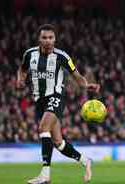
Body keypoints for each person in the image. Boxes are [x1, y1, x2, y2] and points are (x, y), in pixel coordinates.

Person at [17, 24, 99, 184]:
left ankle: (45, 174)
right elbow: (22, 70)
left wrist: (86, 85)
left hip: (56, 96)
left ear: (55, 39)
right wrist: (20, 79)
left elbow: (77, 76)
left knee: (42, 128)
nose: (47, 41)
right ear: (39, 39)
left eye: (50, 38)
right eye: (44, 37)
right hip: (39, 100)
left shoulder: (62, 56)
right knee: (58, 143)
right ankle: (86, 161)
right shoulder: (29, 54)